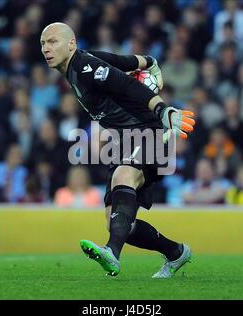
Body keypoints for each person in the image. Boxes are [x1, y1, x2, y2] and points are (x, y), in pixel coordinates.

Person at [40, 23, 196, 277]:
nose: (46, 48)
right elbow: (119, 61)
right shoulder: (83, 62)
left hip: (148, 130)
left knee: (123, 177)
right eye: (43, 44)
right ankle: (176, 253)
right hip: (125, 140)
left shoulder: (84, 67)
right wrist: (149, 61)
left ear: (71, 44)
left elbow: (126, 84)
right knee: (118, 222)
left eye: (53, 41)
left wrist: (162, 109)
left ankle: (112, 254)